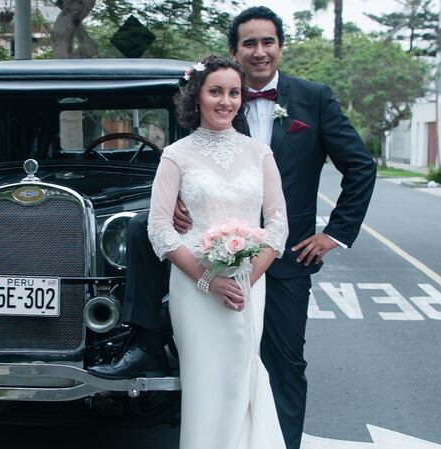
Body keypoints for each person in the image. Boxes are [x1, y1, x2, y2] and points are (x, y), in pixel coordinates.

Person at [90, 6, 377, 449]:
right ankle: (143, 338)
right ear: (234, 51)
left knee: (282, 363)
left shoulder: (313, 99)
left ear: (280, 46)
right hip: (205, 252)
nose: (260, 52)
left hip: (285, 255)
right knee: (142, 224)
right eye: (249, 43)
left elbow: (359, 166)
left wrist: (333, 233)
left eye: (268, 42)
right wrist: (187, 202)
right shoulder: (218, 97)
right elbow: (190, 161)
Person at [160, 54, 288, 449]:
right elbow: (160, 228)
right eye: (216, 91)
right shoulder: (176, 155)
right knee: (204, 380)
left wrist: (245, 280)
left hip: (249, 286)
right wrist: (208, 280)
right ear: (197, 96)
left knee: (240, 374)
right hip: (194, 287)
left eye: (234, 93)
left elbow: (278, 225)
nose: (225, 101)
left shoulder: (259, 154)